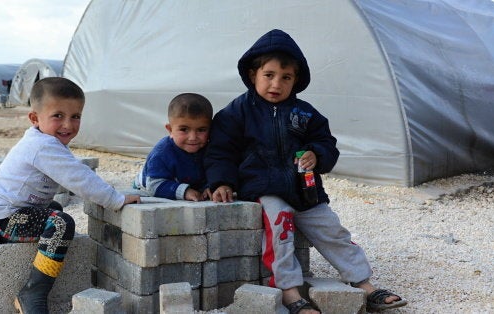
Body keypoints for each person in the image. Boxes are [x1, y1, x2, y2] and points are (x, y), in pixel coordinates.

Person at [205, 29, 407, 313]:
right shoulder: (236, 112)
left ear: (296, 80)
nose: (276, 83)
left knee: (333, 231)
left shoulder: (305, 113)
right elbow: (221, 151)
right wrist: (222, 182)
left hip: (305, 190)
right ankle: (289, 292)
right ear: (253, 75)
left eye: (286, 77)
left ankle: (364, 284)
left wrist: (317, 153)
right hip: (266, 189)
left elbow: (327, 144)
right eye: (269, 75)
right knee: (280, 231)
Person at [0, 77, 141, 314]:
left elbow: (75, 175)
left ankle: (43, 263)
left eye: (75, 116)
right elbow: (78, 177)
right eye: (58, 116)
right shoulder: (41, 145)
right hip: (4, 219)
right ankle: (33, 292)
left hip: (16, 214)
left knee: (55, 208)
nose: (68, 124)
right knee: (60, 223)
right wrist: (114, 199)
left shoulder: (46, 140)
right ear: (35, 118)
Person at [133, 93, 212, 201]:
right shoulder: (162, 152)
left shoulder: (212, 148)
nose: (193, 137)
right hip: (147, 185)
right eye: (184, 129)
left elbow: (214, 172)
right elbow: (154, 185)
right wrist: (184, 192)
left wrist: (210, 187)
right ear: (170, 130)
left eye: (201, 130)